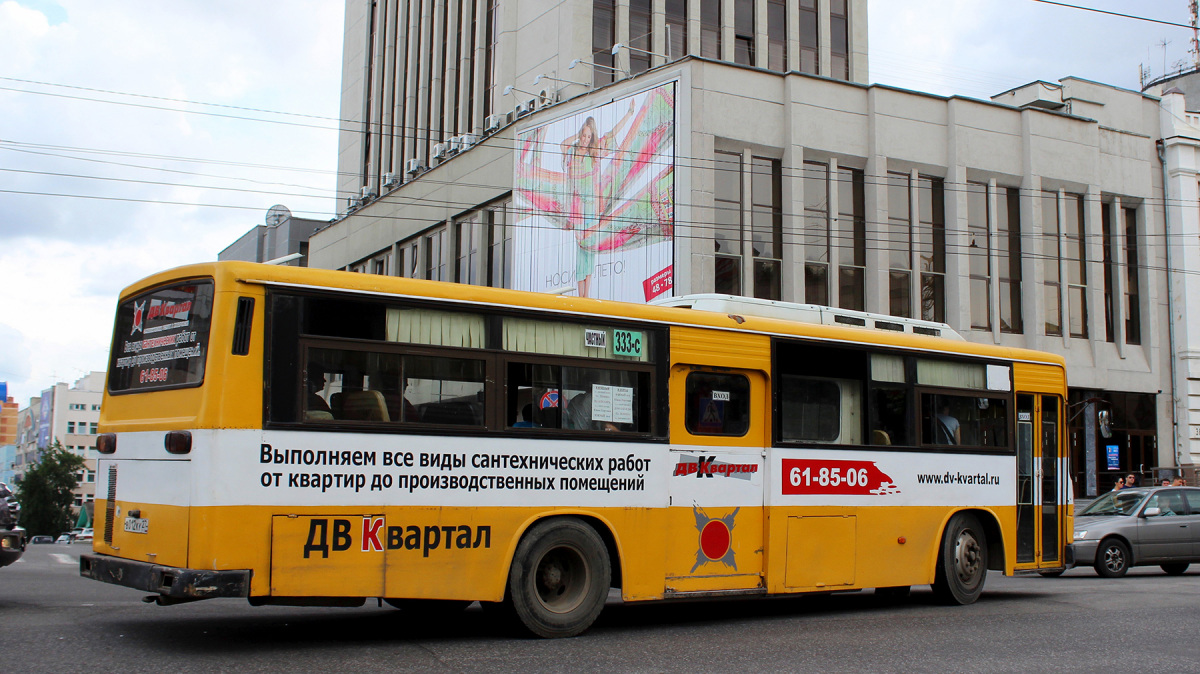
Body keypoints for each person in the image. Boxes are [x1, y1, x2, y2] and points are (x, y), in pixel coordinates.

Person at [558, 102, 637, 298]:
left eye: (588, 136)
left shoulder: (595, 153)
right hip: (577, 207)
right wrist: (577, 136)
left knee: (590, 249)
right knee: (581, 248)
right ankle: (580, 294)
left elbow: (611, 134)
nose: (585, 139)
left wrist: (629, 114)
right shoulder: (573, 152)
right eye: (583, 135)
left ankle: (587, 295)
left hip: (592, 207)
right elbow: (562, 144)